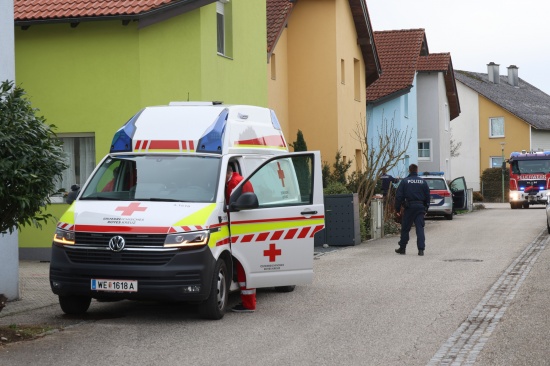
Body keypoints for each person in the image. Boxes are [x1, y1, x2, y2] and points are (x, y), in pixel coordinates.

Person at [225, 164, 256, 313]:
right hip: (237, 228)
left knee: (244, 267)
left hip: (242, 229)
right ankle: (247, 302)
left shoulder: (237, 182)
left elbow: (246, 206)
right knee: (242, 266)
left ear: (227, 172)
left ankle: (249, 304)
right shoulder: (233, 181)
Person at [394, 164, 430, 256]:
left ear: (409, 170)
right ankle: (421, 250)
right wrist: (426, 207)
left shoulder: (405, 181)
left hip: (409, 207)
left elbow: (398, 196)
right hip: (420, 207)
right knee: (420, 228)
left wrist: (397, 209)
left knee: (405, 228)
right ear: (417, 170)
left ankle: (402, 248)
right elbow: (428, 196)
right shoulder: (423, 182)